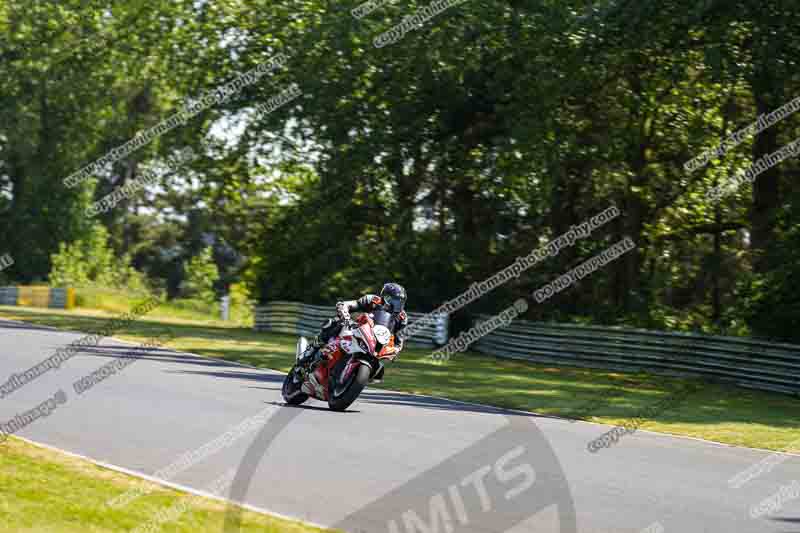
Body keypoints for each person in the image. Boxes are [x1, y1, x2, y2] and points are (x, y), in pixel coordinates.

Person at [295, 283, 408, 380]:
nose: (395, 305)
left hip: (377, 342)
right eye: (391, 300)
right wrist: (344, 311)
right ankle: (309, 353)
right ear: (384, 296)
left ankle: (352, 376)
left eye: (399, 302)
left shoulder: (402, 318)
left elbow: (399, 340)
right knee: (334, 322)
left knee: (380, 367)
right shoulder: (372, 300)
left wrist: (396, 350)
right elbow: (352, 304)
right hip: (358, 329)